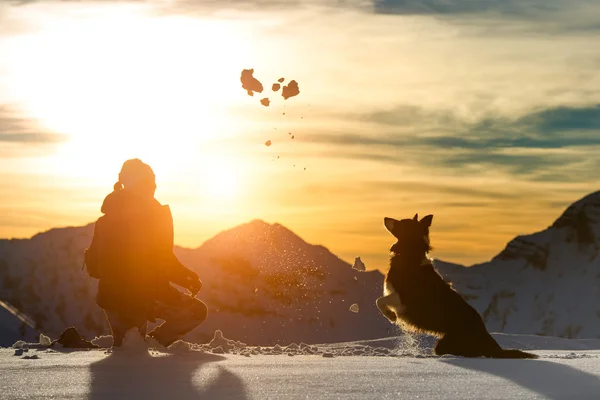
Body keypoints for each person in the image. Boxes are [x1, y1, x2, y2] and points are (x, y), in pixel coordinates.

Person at [86, 158, 207, 348]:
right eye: (147, 182)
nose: (152, 186)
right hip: (127, 299)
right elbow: (154, 260)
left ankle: (149, 347)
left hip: (135, 295)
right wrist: (184, 277)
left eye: (152, 181)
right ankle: (146, 349)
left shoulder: (125, 215)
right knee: (130, 353)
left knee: (132, 349)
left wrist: (184, 277)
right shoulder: (134, 217)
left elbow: (159, 257)